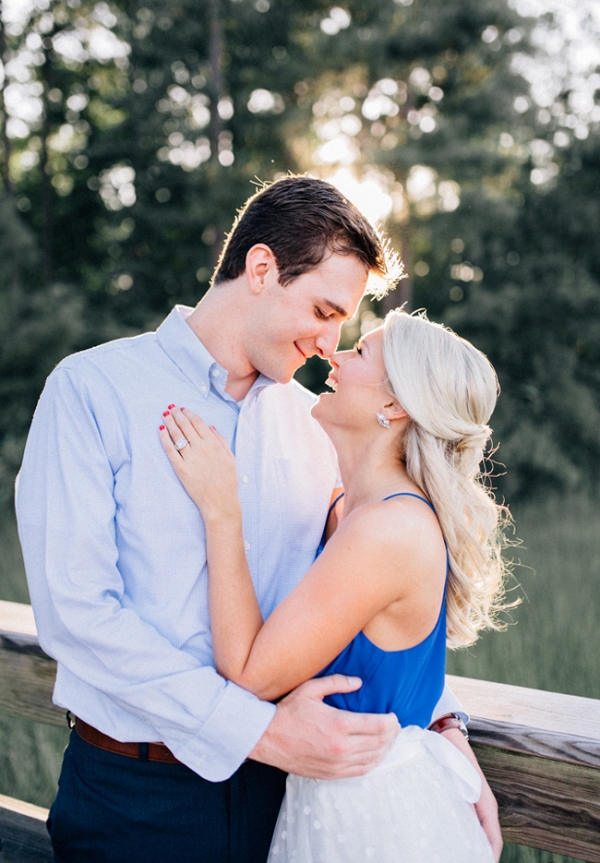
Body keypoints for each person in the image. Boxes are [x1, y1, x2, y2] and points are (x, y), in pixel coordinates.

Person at [15, 176, 500, 862]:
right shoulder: (93, 391)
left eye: (347, 327)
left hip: (287, 796)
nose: (332, 345)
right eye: (325, 310)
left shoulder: (319, 429)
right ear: (263, 268)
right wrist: (254, 729)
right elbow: (78, 614)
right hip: (134, 796)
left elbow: (366, 594)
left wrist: (438, 720)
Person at [158, 309, 508, 862]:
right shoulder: (353, 510)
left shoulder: (388, 530)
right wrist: (446, 721)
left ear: (393, 406)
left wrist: (222, 510)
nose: (336, 356)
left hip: (378, 816)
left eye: (362, 351)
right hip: (332, 799)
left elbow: (249, 672)